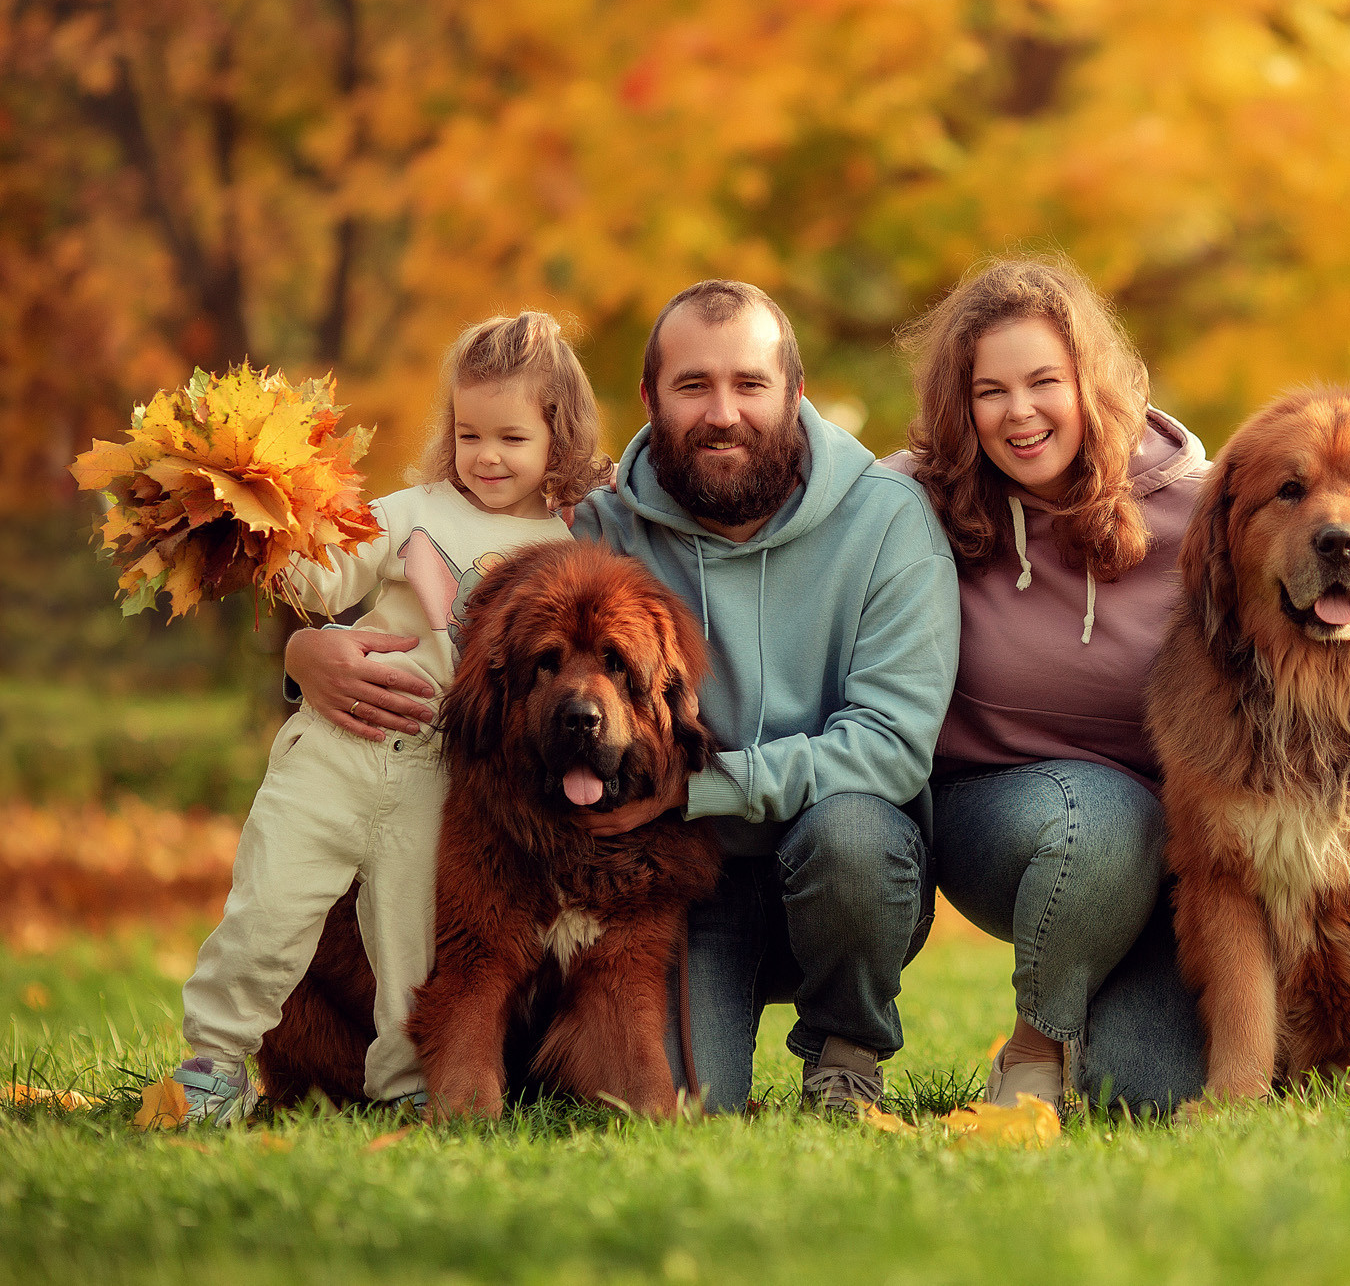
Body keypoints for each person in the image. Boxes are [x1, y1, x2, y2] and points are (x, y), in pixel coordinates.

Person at [286, 281, 959, 1115]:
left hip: (821, 862)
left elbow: (894, 745)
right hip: (680, 878)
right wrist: (306, 649)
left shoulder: (889, 521)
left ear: (793, 392)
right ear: (649, 398)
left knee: (856, 831)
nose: (722, 412)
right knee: (665, 1101)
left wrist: (697, 785)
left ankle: (845, 1053)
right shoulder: (590, 524)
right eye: (692, 385)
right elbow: (449, 591)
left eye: (749, 384)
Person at [175, 311, 609, 1124]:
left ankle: (407, 1085)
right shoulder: (410, 510)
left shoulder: (568, 541)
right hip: (336, 749)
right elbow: (321, 580)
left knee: (416, 945)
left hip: (434, 773)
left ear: (559, 434)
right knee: (270, 906)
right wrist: (267, 525)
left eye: (512, 438)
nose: (486, 455)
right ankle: (211, 1062)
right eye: (470, 431)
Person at [884, 256, 1208, 1112]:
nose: (1019, 413)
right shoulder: (918, 498)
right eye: (991, 391)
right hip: (998, 823)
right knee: (1103, 819)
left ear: (1088, 383)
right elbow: (798, 501)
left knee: (1147, 1095)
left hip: (1170, 852)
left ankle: (1094, 1010)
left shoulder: (1198, 510)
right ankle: (1032, 1047)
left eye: (1043, 381)